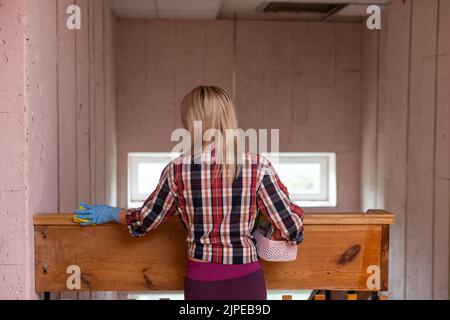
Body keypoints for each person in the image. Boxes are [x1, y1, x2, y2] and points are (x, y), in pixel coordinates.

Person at [74, 85, 304, 300]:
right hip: (246, 279)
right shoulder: (258, 166)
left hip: (201, 280)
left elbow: (147, 219)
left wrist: (113, 213)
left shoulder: (177, 169)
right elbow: (290, 228)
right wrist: (291, 209)